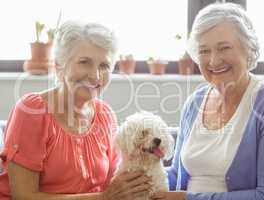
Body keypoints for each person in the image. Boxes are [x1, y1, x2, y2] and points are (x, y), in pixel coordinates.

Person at [151, 3, 264, 200]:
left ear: (248, 49)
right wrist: (140, 180)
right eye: (204, 51)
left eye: (224, 48)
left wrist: (188, 199)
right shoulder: (194, 102)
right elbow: (178, 175)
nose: (213, 61)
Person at [0, 20, 151, 200]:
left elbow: (114, 185)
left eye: (104, 66)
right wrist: (103, 198)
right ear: (59, 66)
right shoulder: (32, 111)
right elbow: (24, 196)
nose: (95, 76)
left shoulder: (105, 115)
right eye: (84, 62)